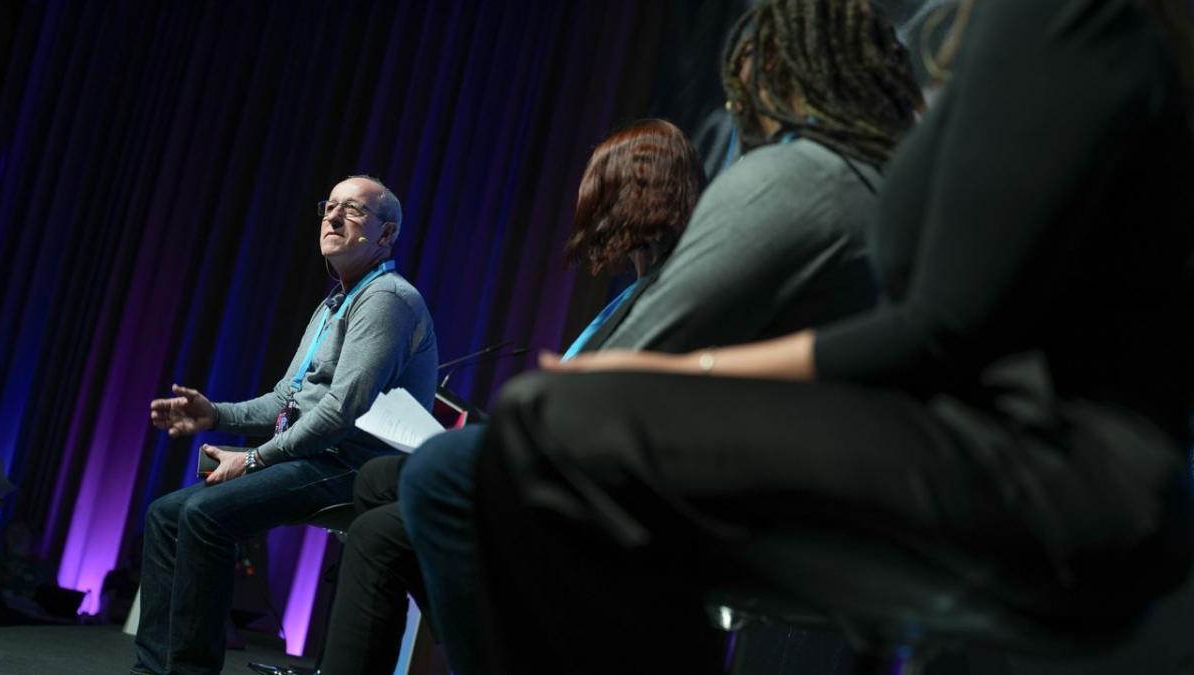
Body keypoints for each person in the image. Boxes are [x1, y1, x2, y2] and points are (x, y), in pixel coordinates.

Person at [465, 0, 1194, 672]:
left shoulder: (1065, 20)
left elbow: (941, 330)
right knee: (542, 434)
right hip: (983, 442)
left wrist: (691, 373)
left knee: (548, 427)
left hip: (1064, 475)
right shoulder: (1021, 32)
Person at [399, 2, 925, 673]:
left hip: (790, 505)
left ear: (773, 77)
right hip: (876, 500)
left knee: (450, 473)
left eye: (742, 96)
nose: (740, 118)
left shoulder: (798, 176)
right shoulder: (895, 188)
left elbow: (633, 365)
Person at [315, 119, 706, 675]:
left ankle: (500, 643)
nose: (585, 209)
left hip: (576, 489)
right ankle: (495, 640)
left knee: (380, 534)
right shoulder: (638, 292)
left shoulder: (669, 292)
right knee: (376, 480)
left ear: (635, 196)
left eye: (597, 192)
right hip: (549, 462)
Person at [132, 175, 438, 675]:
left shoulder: (387, 299)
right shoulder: (331, 305)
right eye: (330, 206)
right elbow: (287, 398)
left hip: (353, 463)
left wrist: (253, 458)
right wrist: (217, 415)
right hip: (314, 455)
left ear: (386, 236)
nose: (334, 217)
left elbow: (340, 413)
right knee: (166, 515)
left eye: (354, 210)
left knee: (205, 515)